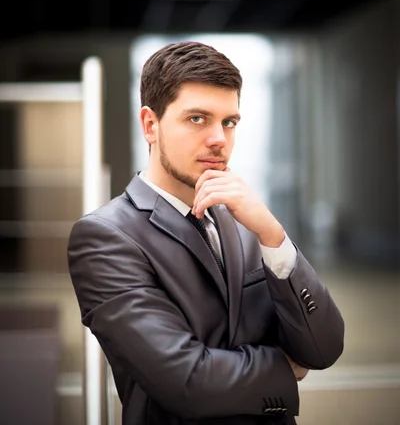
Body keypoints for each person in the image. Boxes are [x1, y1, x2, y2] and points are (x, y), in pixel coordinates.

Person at [68, 41, 344, 425]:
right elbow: (186, 380)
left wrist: (272, 234)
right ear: (150, 125)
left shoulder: (245, 219)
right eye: (198, 118)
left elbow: (324, 347)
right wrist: (284, 366)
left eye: (228, 122)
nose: (219, 138)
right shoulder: (105, 237)